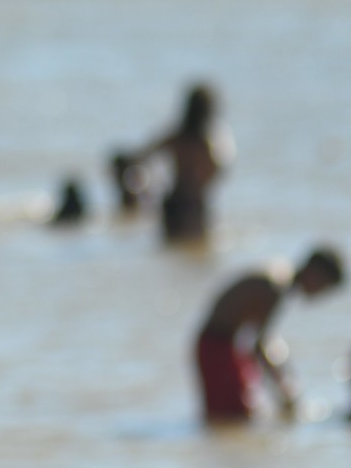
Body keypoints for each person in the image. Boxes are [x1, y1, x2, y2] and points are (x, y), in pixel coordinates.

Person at [192, 246, 343, 424]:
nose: (320, 295)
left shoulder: (280, 275)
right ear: (315, 273)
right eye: (324, 287)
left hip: (225, 345)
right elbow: (259, 346)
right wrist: (283, 388)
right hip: (216, 348)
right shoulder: (275, 287)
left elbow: (263, 340)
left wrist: (282, 375)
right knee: (231, 417)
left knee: (241, 414)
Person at [127, 81, 232, 244]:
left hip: (173, 203)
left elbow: (141, 157)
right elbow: (220, 169)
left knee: (172, 252)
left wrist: (146, 190)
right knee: (197, 251)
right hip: (196, 205)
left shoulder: (175, 137)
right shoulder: (210, 144)